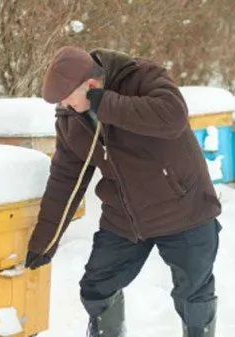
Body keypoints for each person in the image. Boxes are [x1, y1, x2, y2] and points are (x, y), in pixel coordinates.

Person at [25, 45, 222, 337]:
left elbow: (173, 116)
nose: (65, 107)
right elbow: (65, 180)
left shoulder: (141, 76)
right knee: (96, 287)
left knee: (194, 295)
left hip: (184, 208)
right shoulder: (70, 119)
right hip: (125, 218)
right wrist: (45, 241)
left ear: (91, 86)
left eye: (68, 99)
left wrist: (104, 104)